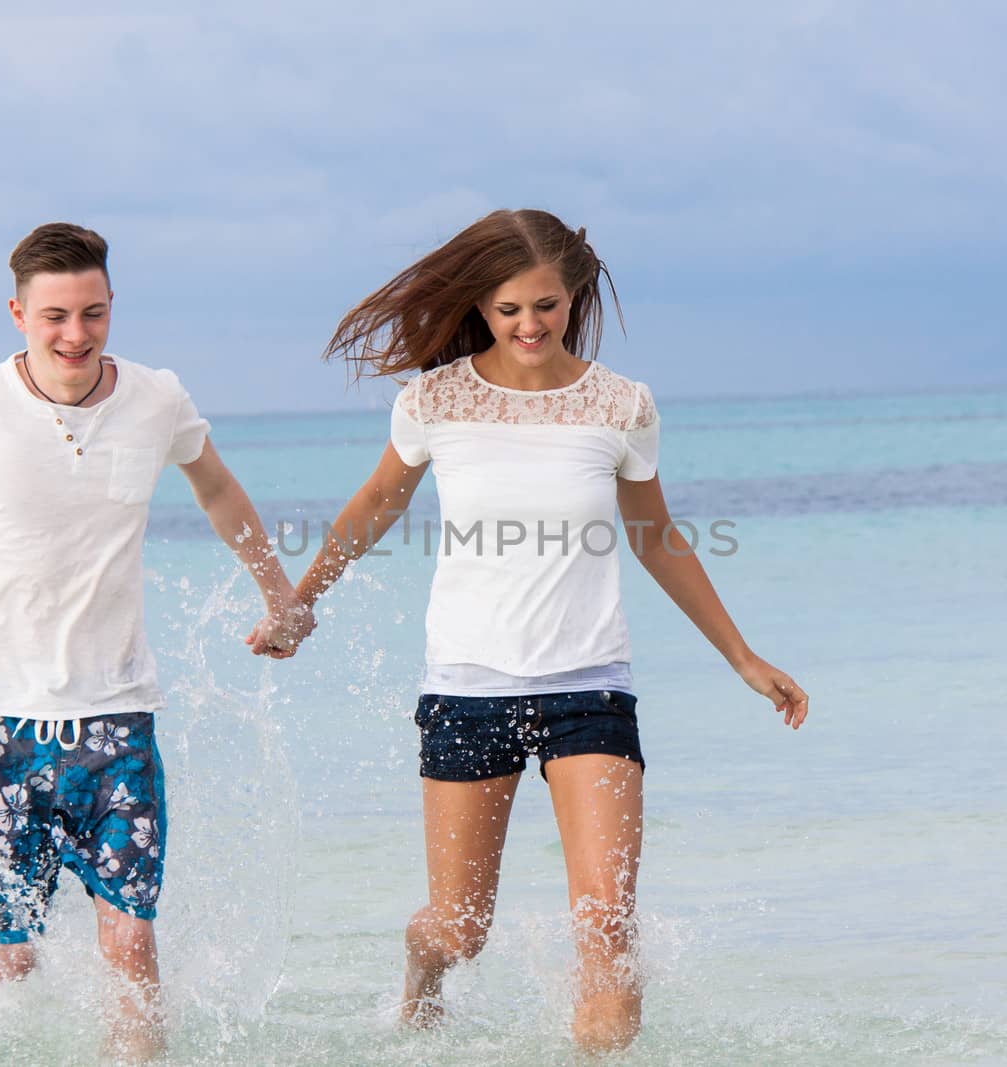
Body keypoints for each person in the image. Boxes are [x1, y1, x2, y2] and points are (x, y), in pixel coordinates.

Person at [266, 209, 809, 1052]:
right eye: (510, 307)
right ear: (481, 303)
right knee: (458, 928)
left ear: (574, 296)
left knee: (606, 931)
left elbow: (657, 536)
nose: (529, 325)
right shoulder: (434, 400)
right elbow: (376, 506)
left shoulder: (619, 405)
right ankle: (423, 978)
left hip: (591, 687)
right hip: (466, 689)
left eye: (546, 306)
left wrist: (742, 656)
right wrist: (302, 600)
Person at [0, 222, 313, 1060]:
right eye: (56, 317)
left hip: (117, 717)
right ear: (18, 313)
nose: (76, 334)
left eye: (94, 313)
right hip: (1, 721)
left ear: (112, 308)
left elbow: (218, 490)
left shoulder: (156, 399)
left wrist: (279, 594)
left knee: (132, 946)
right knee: (9, 960)